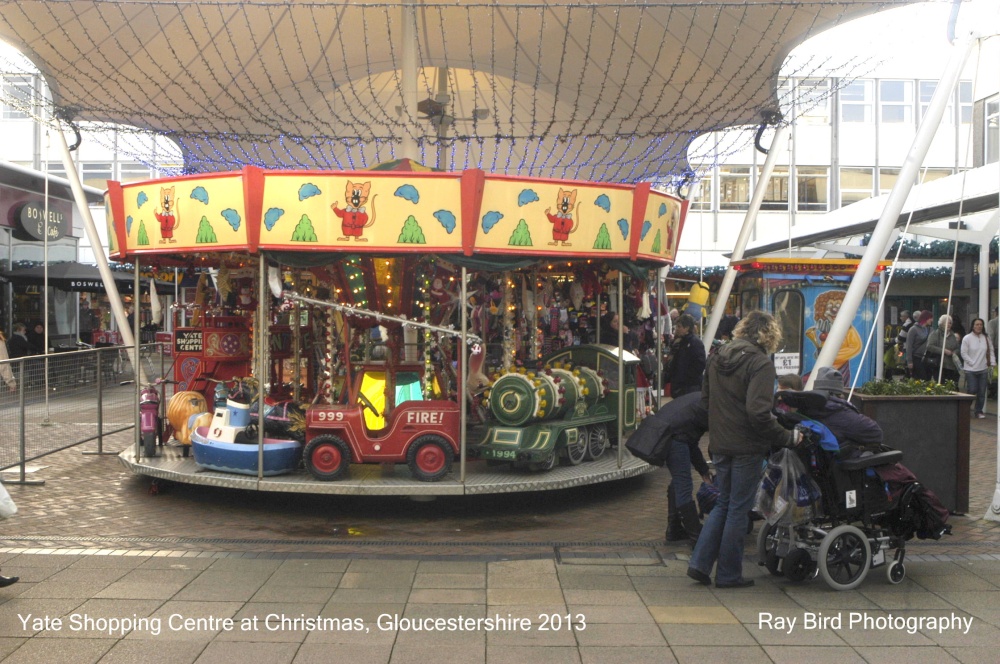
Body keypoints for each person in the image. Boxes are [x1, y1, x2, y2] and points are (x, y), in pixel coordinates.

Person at [687, 311, 800, 589]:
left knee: (724, 504)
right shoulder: (760, 364)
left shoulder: (716, 357)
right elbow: (758, 413)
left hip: (721, 444)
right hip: (747, 445)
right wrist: (787, 437)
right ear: (769, 334)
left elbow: (705, 402)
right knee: (738, 508)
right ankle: (727, 574)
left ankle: (700, 565)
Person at [628, 392, 712, 544]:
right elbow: (691, 442)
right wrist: (704, 470)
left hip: (669, 432)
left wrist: (703, 470)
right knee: (683, 484)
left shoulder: (701, 398)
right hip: (674, 437)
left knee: (679, 482)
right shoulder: (709, 407)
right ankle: (696, 537)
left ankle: (674, 529)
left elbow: (691, 440)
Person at [798, 367, 883, 454]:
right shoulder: (839, 413)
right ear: (838, 392)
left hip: (816, 463)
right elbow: (875, 433)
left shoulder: (805, 408)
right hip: (842, 462)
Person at [665, 313, 706, 398]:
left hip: (690, 387)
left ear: (686, 328)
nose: (677, 329)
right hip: (680, 386)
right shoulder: (679, 342)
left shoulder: (694, 342)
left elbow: (700, 365)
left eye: (679, 327)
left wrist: (686, 378)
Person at [961, 318, 994, 419]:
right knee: (972, 389)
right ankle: (966, 409)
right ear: (972, 326)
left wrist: (992, 362)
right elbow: (963, 353)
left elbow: (991, 350)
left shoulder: (986, 338)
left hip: (983, 369)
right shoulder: (967, 338)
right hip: (970, 370)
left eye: (981, 324)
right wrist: (972, 363)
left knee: (981, 391)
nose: (979, 326)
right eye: (977, 324)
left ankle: (978, 411)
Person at [925, 314, 961, 385]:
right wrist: (943, 351)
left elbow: (957, 347)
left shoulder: (952, 335)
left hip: (951, 366)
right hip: (939, 365)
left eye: (950, 323)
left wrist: (954, 352)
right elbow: (930, 346)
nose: (948, 325)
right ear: (941, 324)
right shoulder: (935, 334)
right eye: (946, 322)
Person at [905, 311, 933, 380]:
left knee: (928, 377)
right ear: (925, 318)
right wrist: (909, 361)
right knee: (921, 377)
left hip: (926, 357)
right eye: (930, 318)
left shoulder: (930, 329)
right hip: (916, 357)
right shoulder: (913, 329)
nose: (932, 320)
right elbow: (909, 345)